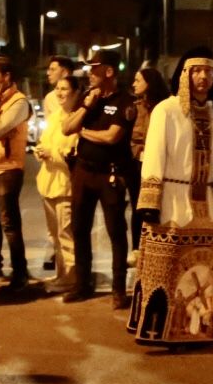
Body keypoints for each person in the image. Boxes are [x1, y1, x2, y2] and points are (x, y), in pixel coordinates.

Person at [131, 47, 213, 346]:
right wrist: (150, 200)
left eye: (208, 72)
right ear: (184, 75)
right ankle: (155, 328)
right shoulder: (167, 110)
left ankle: (198, 328)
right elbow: (154, 155)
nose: (203, 77)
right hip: (172, 197)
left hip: (207, 202)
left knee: (204, 268)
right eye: (197, 71)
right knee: (165, 266)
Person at [61, 48, 135, 307]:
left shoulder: (125, 102)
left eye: (94, 69)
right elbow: (66, 127)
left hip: (110, 174)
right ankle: (82, 285)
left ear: (109, 71)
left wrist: (83, 133)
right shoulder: (87, 98)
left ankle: (118, 290)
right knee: (80, 228)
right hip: (83, 171)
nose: (90, 74)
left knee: (116, 231)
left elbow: (111, 137)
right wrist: (86, 108)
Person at [0, 54, 32, 289]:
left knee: (9, 224)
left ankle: (20, 272)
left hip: (7, 169)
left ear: (7, 77)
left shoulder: (19, 102)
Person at [35, 78, 78, 285]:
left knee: (66, 234)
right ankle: (61, 273)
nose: (59, 93)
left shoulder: (77, 120)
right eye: (57, 89)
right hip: (47, 182)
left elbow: (73, 155)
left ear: (76, 93)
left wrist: (51, 153)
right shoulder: (54, 119)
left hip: (65, 184)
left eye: (64, 89)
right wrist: (40, 151)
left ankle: (71, 276)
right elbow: (43, 143)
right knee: (54, 235)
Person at [128, 66, 168, 253]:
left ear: (149, 83)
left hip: (163, 166)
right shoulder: (136, 108)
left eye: (138, 80)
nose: (134, 84)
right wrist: (140, 153)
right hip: (139, 165)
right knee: (139, 205)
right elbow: (132, 139)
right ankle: (137, 248)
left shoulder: (166, 107)